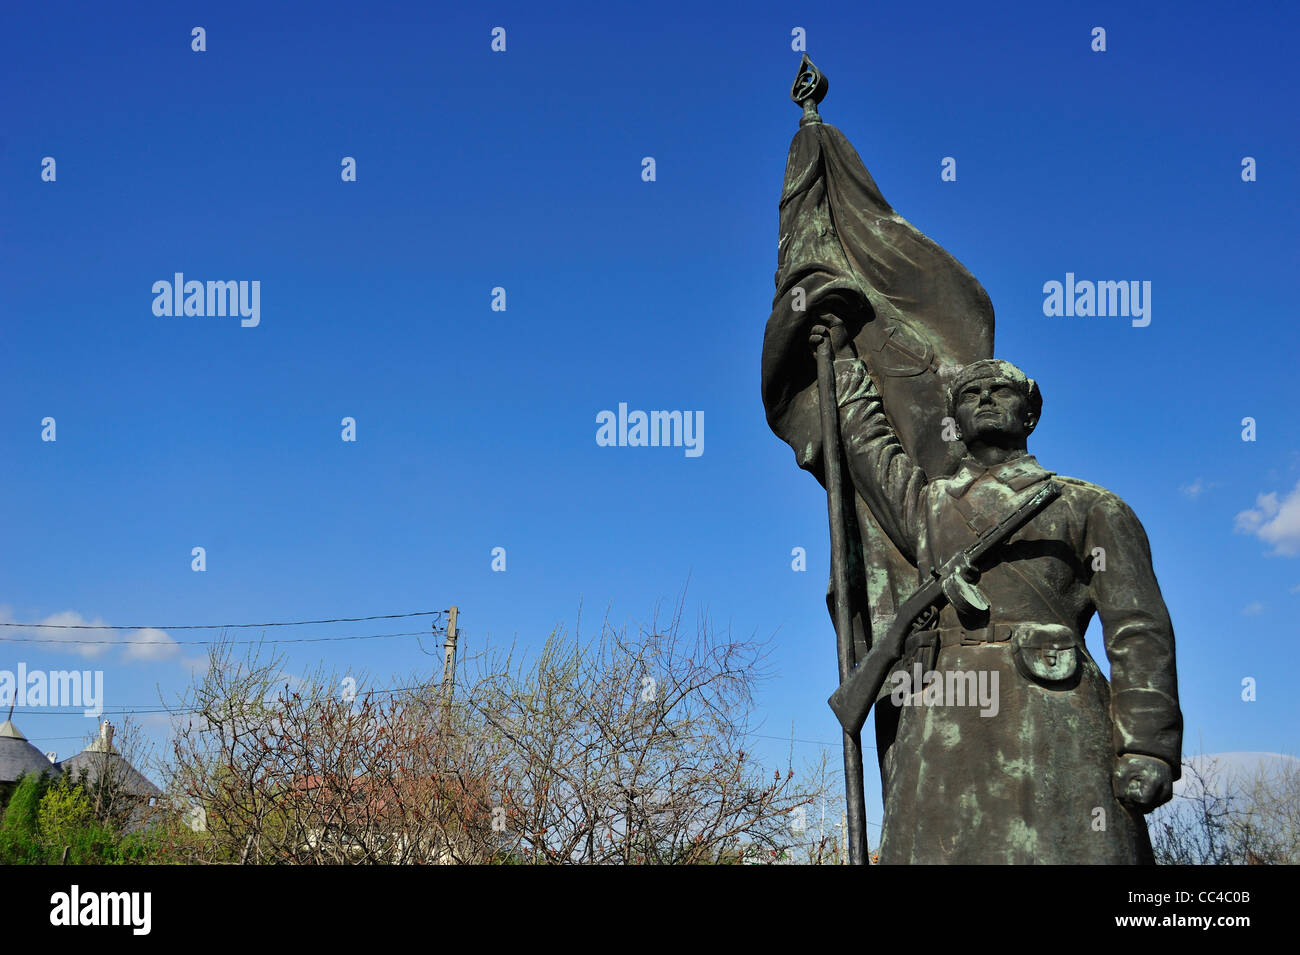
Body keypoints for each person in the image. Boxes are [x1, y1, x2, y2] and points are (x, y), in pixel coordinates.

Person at [812, 320, 1183, 864]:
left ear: (1030, 414)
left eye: (1001, 390)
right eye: (969, 394)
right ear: (953, 423)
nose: (985, 399)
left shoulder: (1088, 506)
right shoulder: (928, 506)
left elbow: (1138, 627)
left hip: (1052, 713)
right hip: (941, 719)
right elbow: (867, 445)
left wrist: (1147, 745)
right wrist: (841, 358)